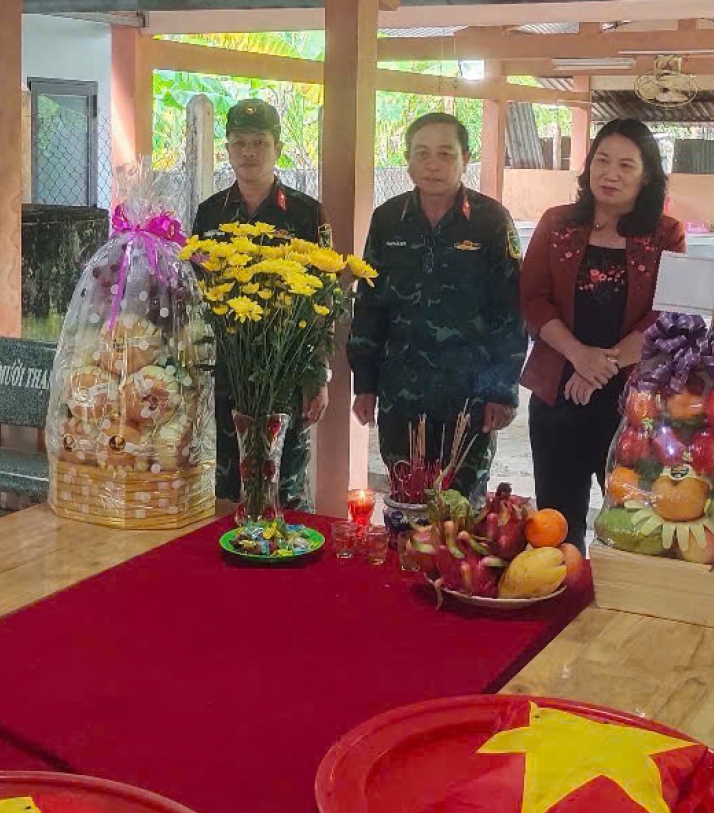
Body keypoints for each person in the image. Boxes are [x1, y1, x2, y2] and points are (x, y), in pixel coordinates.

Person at [519, 118, 686, 547]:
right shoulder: (557, 223)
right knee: (556, 524)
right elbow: (533, 298)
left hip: (633, 404)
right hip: (559, 394)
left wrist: (600, 367)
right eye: (602, 161)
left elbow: (667, 312)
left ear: (646, 175)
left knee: (634, 523)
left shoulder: (665, 234)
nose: (610, 174)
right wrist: (579, 355)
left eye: (626, 165)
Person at [348, 113, 527, 500]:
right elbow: (369, 306)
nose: (433, 164)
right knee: (405, 499)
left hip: (469, 396)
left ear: (465, 158)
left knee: (461, 507)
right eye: (422, 153)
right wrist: (364, 383)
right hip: (401, 393)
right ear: (408, 161)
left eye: (445, 154)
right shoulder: (388, 219)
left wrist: (502, 389)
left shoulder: (491, 221)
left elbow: (511, 311)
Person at [192, 98, 329, 512]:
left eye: (259, 142)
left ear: (278, 148)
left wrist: (317, 375)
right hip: (228, 370)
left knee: (286, 488)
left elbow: (323, 298)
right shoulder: (210, 213)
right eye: (239, 143)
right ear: (227, 149)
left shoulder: (306, 213)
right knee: (227, 485)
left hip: (285, 370)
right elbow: (195, 290)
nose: (248, 152)